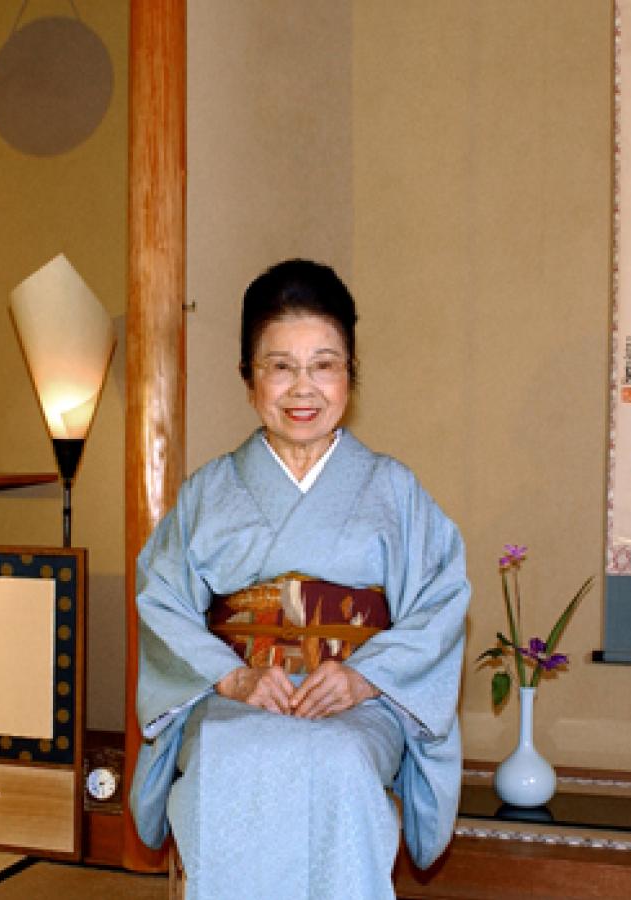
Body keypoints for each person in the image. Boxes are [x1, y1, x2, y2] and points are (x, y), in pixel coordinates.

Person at [129, 259, 470, 899]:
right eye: (280, 365)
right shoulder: (209, 492)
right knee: (226, 757)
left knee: (338, 759)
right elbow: (162, 604)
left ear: (351, 374)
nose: (302, 388)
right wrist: (233, 676)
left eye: (324, 364)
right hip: (235, 695)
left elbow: (440, 604)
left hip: (356, 698)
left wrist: (365, 677)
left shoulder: (394, 491)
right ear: (248, 378)